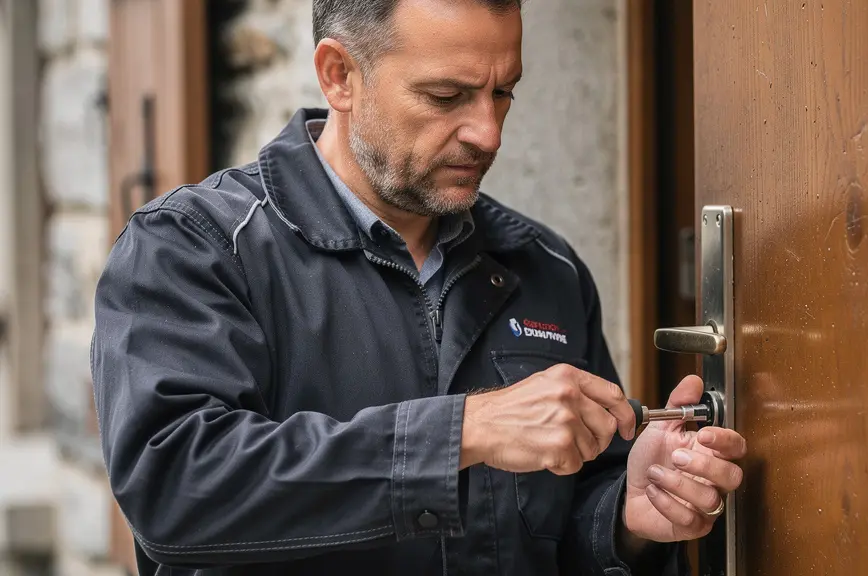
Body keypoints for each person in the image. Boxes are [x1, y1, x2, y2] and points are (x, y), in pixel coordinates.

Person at [90, 0, 747, 574]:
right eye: (446, 97)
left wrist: (627, 516)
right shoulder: (196, 248)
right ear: (339, 75)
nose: (487, 132)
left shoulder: (543, 265)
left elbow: (567, 524)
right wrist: (466, 431)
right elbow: (176, 488)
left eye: (504, 93)